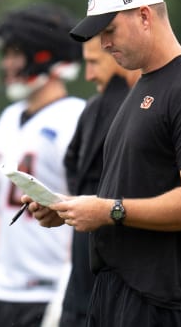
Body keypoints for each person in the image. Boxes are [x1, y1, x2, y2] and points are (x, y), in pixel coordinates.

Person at [26, 0, 181, 326]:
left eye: (109, 30)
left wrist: (111, 211)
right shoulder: (142, 86)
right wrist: (68, 208)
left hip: (166, 301)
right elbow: (130, 189)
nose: (104, 44)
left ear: (144, 15)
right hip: (117, 292)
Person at [0, 2, 86, 327]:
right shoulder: (8, 120)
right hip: (4, 290)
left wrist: (69, 284)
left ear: (46, 55)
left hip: (49, 287)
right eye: (6, 54)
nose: (8, 64)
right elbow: (2, 207)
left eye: (16, 53)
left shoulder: (75, 119)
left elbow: (85, 211)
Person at [57, 34, 139, 327]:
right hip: (82, 279)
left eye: (94, 63)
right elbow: (73, 168)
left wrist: (102, 208)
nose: (89, 74)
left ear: (117, 53)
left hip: (122, 282)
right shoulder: (92, 109)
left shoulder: (142, 107)